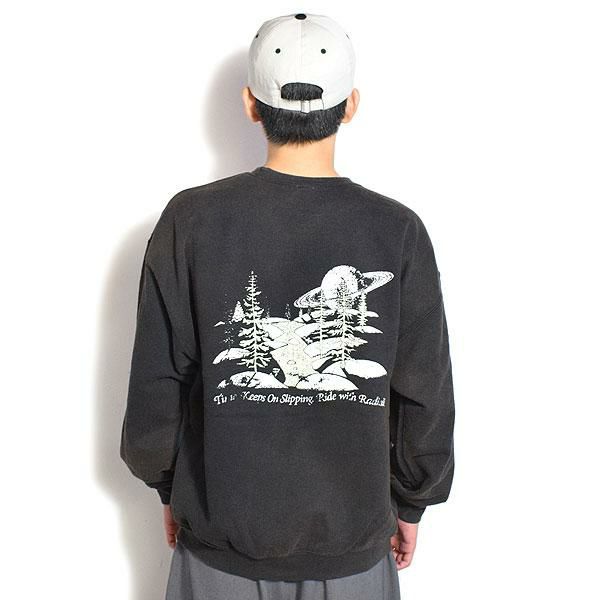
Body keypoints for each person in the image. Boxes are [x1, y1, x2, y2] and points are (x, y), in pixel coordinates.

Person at [120, 12, 455, 600]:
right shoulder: (397, 230)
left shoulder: (190, 221)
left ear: (251, 105)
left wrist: (170, 488)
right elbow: (424, 389)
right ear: (351, 106)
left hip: (221, 544)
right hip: (353, 550)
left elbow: (157, 382)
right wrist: (413, 502)